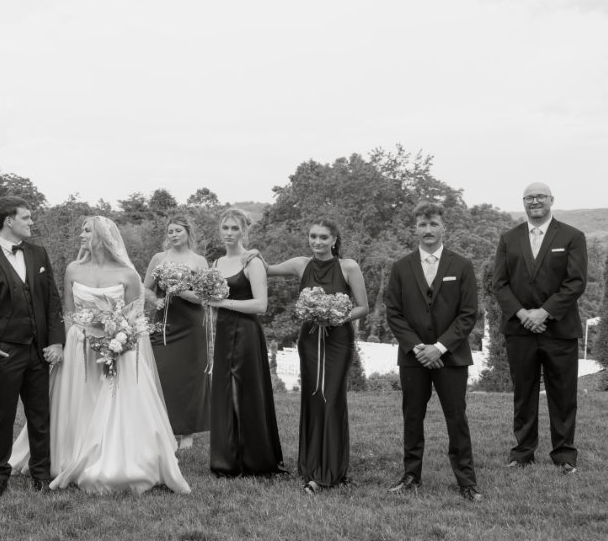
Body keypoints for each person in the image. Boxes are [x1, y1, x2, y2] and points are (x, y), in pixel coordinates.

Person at [9, 216, 191, 494]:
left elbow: (135, 318)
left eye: (86, 231)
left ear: (103, 238)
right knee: (77, 402)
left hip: (117, 347)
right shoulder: (73, 269)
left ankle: (113, 458)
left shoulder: (127, 275)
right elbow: (68, 313)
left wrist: (118, 342)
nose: (81, 235)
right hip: (79, 345)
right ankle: (68, 454)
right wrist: (66, 348)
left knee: (113, 402)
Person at [0, 196, 64, 496]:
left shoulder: (39, 254)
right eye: (26, 217)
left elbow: (53, 301)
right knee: (2, 416)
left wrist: (56, 341)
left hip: (38, 351)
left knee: (40, 416)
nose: (32, 222)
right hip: (3, 352)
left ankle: (42, 475)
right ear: (9, 220)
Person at [260, 219, 369, 494]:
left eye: (323, 237)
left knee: (331, 399)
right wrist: (249, 254)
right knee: (312, 398)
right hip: (309, 340)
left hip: (338, 340)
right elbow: (266, 269)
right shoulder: (301, 264)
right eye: (313, 236)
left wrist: (334, 315)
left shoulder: (349, 267)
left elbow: (363, 307)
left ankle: (329, 472)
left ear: (334, 240)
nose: (317, 242)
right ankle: (309, 467)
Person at [384, 202, 481, 501]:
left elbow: (468, 314)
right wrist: (418, 348)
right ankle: (411, 476)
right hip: (413, 358)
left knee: (457, 418)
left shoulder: (461, 265)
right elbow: (394, 313)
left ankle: (466, 481)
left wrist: (438, 348)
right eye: (423, 225)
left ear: (443, 227)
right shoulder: (401, 267)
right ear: (415, 229)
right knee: (412, 417)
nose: (428, 230)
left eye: (433, 224)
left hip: (451, 356)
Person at [493, 182, 587, 473]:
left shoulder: (572, 236)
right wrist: (523, 314)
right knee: (524, 393)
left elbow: (576, 282)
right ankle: (522, 452)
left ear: (551, 200)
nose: (535, 201)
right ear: (523, 202)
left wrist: (544, 313)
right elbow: (500, 283)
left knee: (563, 394)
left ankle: (564, 454)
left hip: (559, 329)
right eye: (529, 197)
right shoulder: (509, 238)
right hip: (520, 330)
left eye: (540, 197)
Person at [204, 209, 285, 477]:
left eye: (234, 229)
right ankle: (227, 460)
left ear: (244, 231)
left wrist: (223, 303)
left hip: (246, 333)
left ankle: (255, 460)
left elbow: (261, 305)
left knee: (247, 394)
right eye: (225, 228)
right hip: (224, 331)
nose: (229, 233)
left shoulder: (252, 261)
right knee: (225, 393)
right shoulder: (215, 264)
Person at [143, 216, 210, 450]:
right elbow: (146, 289)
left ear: (188, 233)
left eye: (178, 231)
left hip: (192, 324)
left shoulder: (199, 261)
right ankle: (163, 428)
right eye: (170, 231)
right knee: (161, 373)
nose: (173, 235)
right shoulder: (159, 258)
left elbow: (205, 296)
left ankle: (187, 432)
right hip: (164, 324)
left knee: (189, 377)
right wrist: (156, 300)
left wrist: (179, 290)